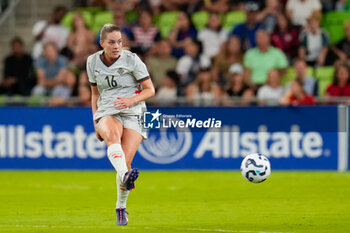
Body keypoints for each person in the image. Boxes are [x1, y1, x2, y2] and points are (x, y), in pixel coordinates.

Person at [86, 24, 155, 226]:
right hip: (108, 109)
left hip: (135, 111)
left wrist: (130, 101)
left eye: (119, 42)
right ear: (102, 43)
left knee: (126, 160)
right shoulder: (91, 61)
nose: (116, 46)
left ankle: (120, 207)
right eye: (112, 42)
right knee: (113, 139)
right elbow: (94, 94)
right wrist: (95, 121)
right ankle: (126, 176)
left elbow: (150, 90)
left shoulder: (133, 60)